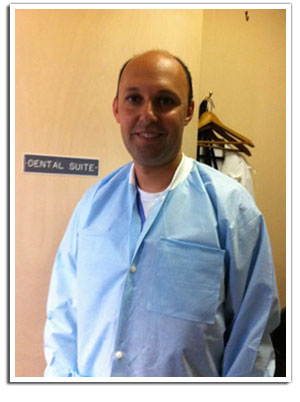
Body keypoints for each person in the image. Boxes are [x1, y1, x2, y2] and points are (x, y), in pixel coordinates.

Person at [44, 50, 280, 377]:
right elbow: (63, 319)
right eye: (134, 99)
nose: (148, 114)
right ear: (117, 109)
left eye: (165, 100)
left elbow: (251, 343)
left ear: (188, 112)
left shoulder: (233, 211)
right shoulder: (92, 206)